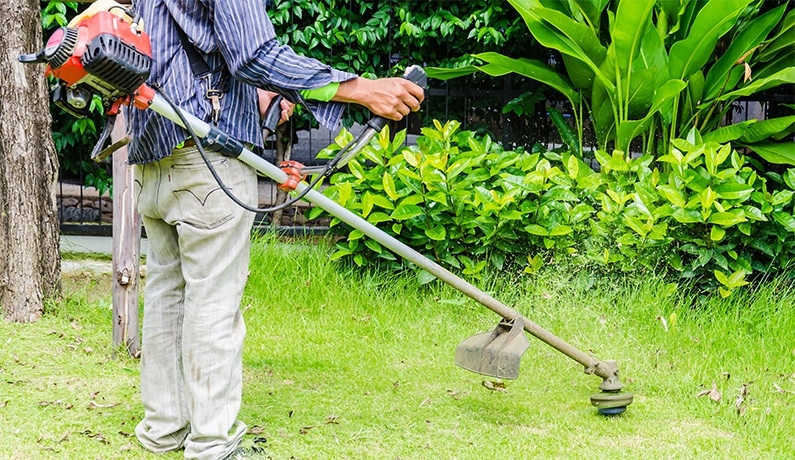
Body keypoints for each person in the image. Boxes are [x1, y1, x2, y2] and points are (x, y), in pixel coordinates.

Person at [126, 1, 424, 459]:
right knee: (213, 300)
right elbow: (256, 54)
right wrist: (363, 89)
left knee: (169, 293)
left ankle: (164, 429)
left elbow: (185, 53)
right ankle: (213, 445)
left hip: (156, 147)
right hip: (208, 160)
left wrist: (255, 97)